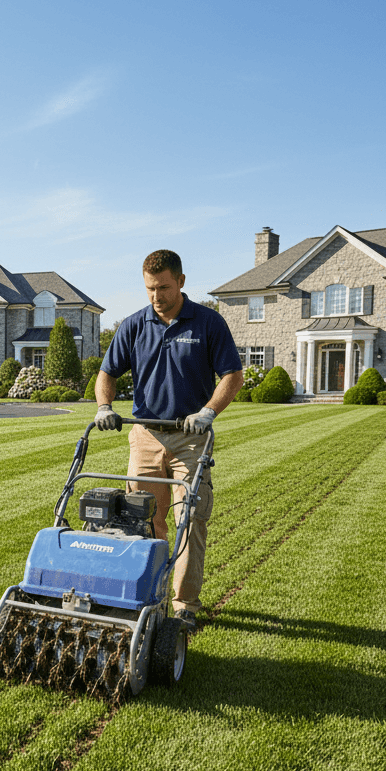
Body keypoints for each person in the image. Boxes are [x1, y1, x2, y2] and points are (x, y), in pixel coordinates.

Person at [94, 249, 244, 630]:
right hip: (145, 436)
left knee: (190, 520)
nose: (156, 296)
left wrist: (208, 411)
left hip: (190, 439)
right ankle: (149, 597)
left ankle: (184, 607)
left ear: (180, 281)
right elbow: (107, 372)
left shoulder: (208, 323)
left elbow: (232, 375)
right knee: (141, 521)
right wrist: (104, 405)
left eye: (163, 287)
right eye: (149, 289)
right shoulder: (134, 325)